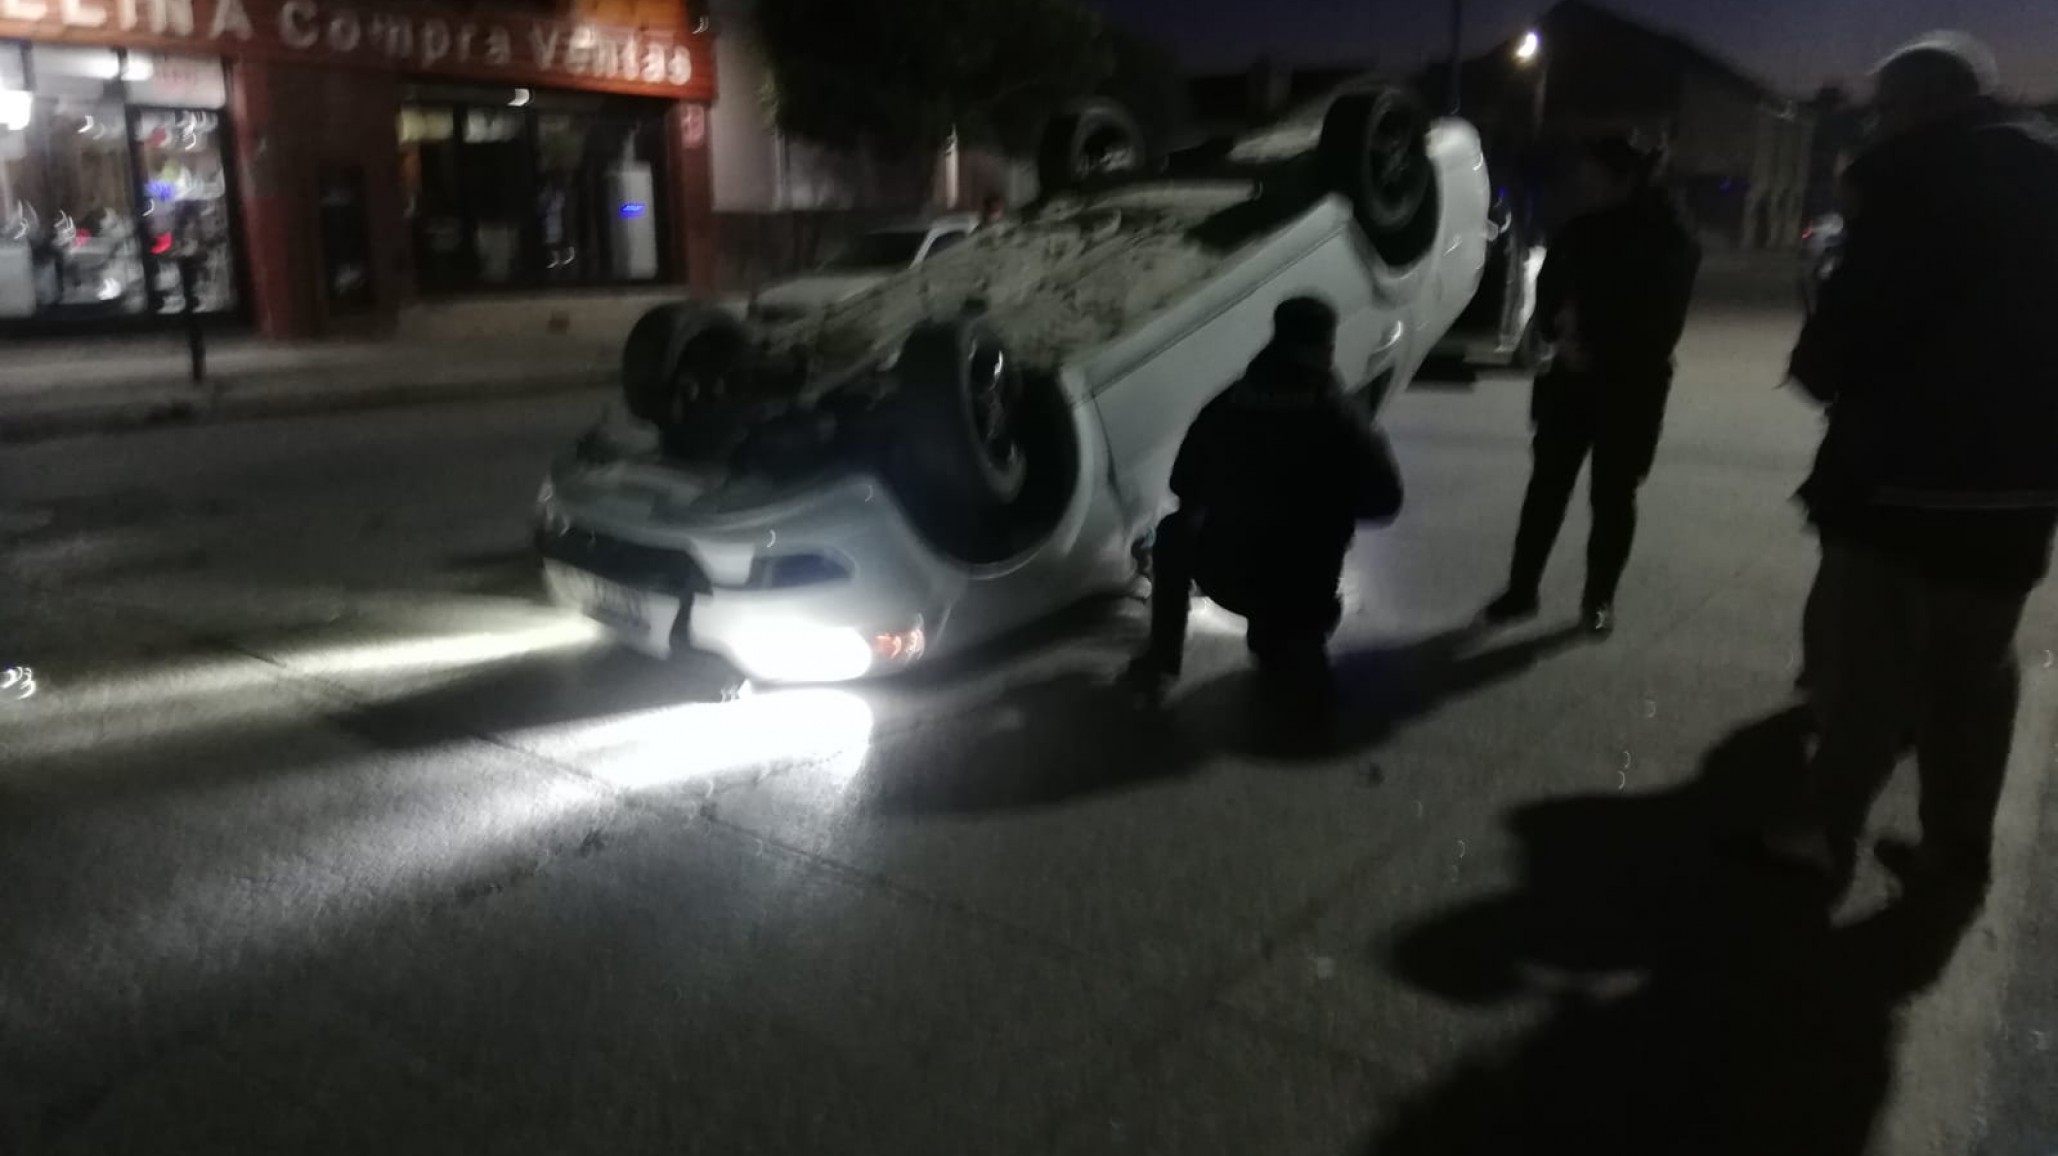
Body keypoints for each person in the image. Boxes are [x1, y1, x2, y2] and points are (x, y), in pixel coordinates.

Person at [1763, 33, 2058, 891]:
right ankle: (1955, 852)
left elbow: (1834, 355)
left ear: (1922, 104)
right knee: (1977, 673)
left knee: (1870, 674)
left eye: (1887, 107)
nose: (1879, 123)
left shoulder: (1910, 184)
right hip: (2023, 485)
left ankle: (1826, 834)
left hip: (1904, 480)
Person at [1123, 296, 1404, 705]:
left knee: (1173, 530)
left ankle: (1163, 658)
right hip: (1305, 589)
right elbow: (1387, 501)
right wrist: (1333, 502)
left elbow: (1182, 483)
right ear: (1326, 347)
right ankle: (1299, 647)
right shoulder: (1341, 419)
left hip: (1227, 577)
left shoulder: (1229, 404)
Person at [1482, 136, 1702, 636]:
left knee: (1613, 494)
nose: (1584, 186)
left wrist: (1594, 341)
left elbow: (1661, 322)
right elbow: (1549, 290)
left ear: (1626, 179)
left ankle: (1598, 599)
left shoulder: (1669, 238)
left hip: (1629, 388)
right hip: (1569, 380)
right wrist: (1554, 329)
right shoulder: (1579, 230)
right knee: (1546, 489)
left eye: (1594, 177)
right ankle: (1522, 590)